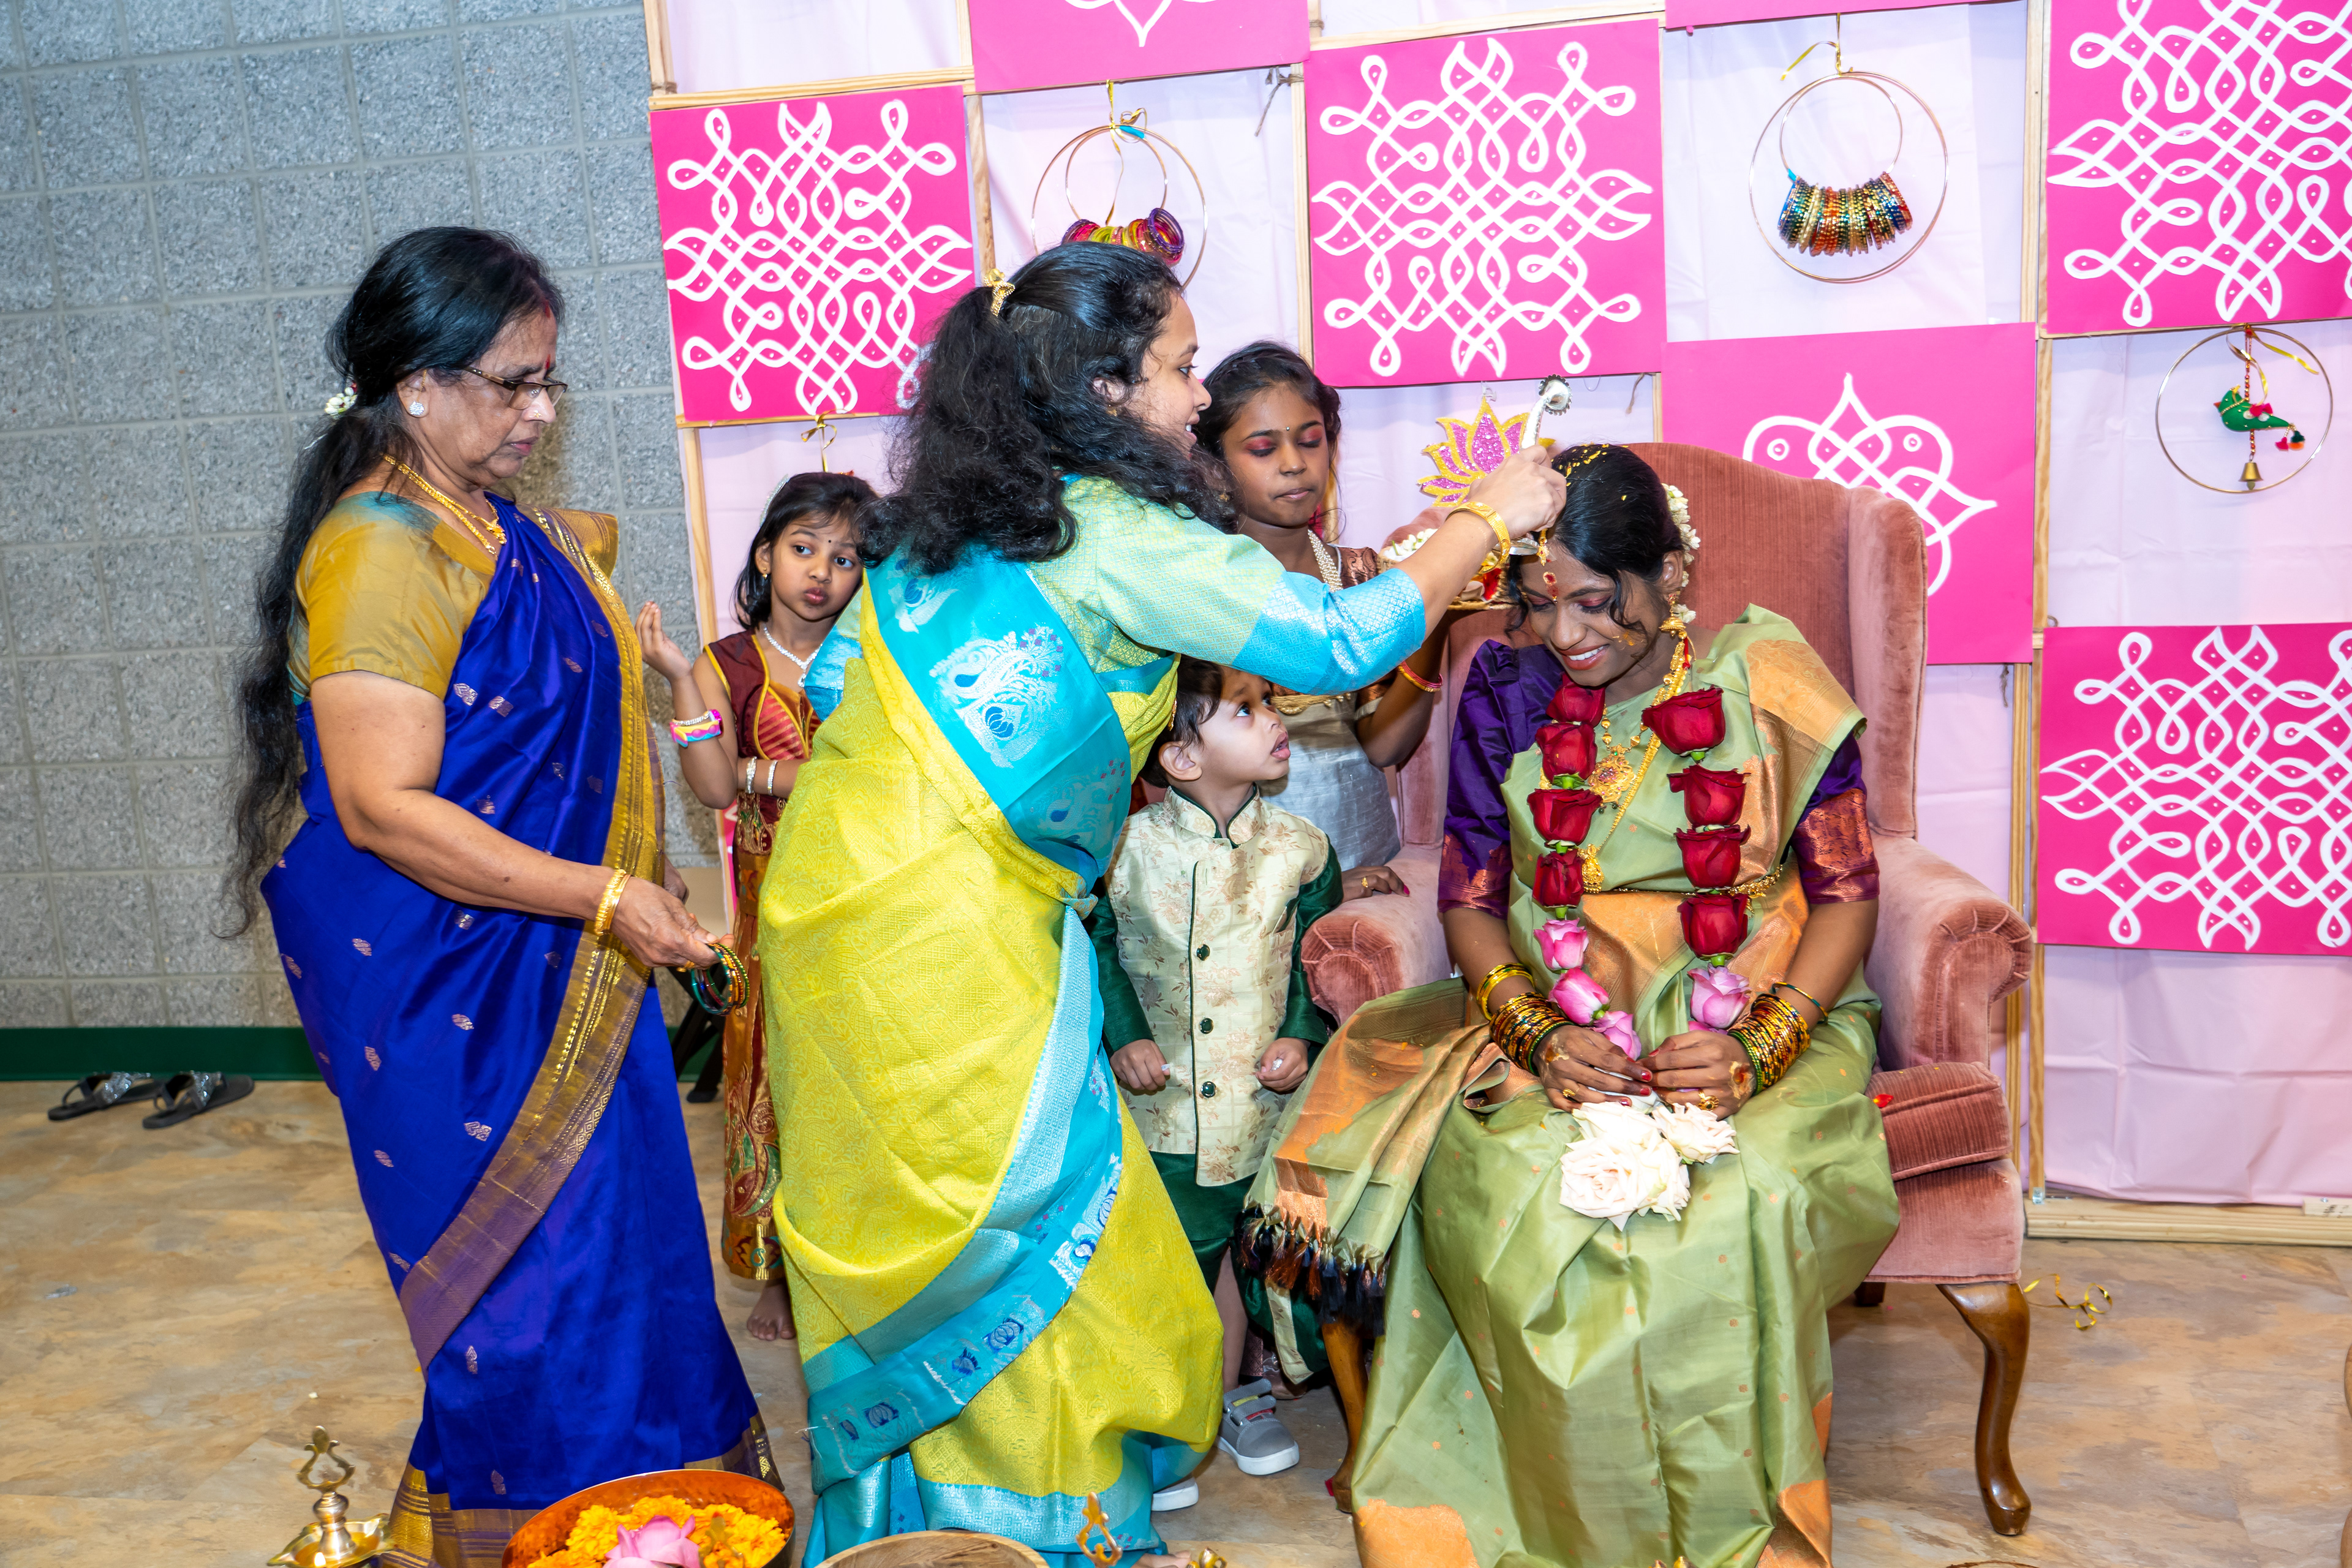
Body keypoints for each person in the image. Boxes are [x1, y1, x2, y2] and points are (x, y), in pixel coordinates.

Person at [758, 241, 1565, 1563]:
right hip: (950, 932)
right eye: (1181, 369)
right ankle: (1031, 1531)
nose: (1197, 397)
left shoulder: (952, 532)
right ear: (1103, 386)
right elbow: (1336, 644)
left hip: (836, 909)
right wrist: (1488, 513)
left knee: (941, 1219)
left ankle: (913, 1526)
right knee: (1025, 1228)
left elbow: (839, 686)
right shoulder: (1116, 531)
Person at [225, 227, 771, 1568]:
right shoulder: (380, 552)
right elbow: (381, 806)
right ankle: (559, 1535)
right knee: (533, 1289)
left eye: (548, 382)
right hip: (458, 986)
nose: (540, 412)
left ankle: (657, 1525)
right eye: (512, 382)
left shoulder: (497, 528)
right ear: (415, 383)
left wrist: (620, 886)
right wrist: (605, 894)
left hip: (567, 962)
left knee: (625, 1255)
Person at [1244, 445, 1895, 1568]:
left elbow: (1847, 893)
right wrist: (1535, 1031)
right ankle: (1559, 1525)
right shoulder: (1505, 688)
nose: (1566, 634)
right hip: (1558, 1007)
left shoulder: (1769, 679)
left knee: (1732, 1206)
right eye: (1541, 603)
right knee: (1526, 1195)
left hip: (1763, 1002)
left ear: (1673, 572)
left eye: (1596, 600)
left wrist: (1766, 1043)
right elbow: (1470, 897)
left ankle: (1724, 1531)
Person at [1088, 657, 1340, 1488]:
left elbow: (1315, 960)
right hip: (1160, 1102)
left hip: (1261, 1104)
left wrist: (1302, 1034)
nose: (1275, 720)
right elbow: (1093, 943)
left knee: (1245, 1250)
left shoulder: (1301, 848)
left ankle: (1235, 1398)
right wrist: (1125, 1034)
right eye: (1245, 710)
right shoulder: (1125, 848)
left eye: (1270, 703)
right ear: (1182, 757)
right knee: (1171, 1256)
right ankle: (1163, 1414)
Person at [636, 470, 874, 1344]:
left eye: (845, 558)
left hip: (871, 898)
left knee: (865, 1081)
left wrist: (762, 773)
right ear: (767, 554)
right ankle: (779, 1271)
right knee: (774, 1084)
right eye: (805, 548)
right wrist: (679, 678)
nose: (822, 572)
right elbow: (711, 786)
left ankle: (864, 1257)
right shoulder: (725, 664)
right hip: (776, 914)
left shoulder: (880, 653)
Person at [1197, 342, 1450, 900]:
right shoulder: (1198, 588)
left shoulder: (1361, 575)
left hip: (1367, 863)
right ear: (1214, 466)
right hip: (1241, 883)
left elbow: (1383, 749)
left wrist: (1433, 619)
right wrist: (1316, 885)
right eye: (1263, 448)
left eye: (1311, 440)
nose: (1294, 463)